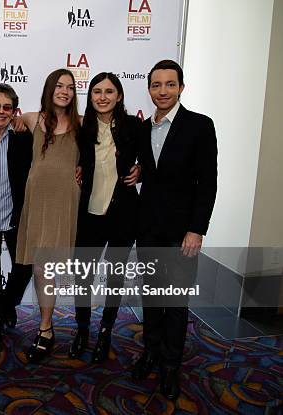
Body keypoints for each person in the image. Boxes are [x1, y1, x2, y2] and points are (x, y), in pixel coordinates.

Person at [132, 60, 217, 401]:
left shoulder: (199, 126)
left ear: (181, 87)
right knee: (151, 298)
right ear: (149, 89)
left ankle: (170, 365)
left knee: (176, 303)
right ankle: (150, 352)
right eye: (156, 85)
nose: (163, 91)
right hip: (149, 228)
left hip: (182, 233)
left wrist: (197, 229)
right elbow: (145, 167)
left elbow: (207, 183)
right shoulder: (142, 129)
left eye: (170, 84)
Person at [70, 72, 141, 362]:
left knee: (115, 277)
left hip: (123, 214)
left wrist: (143, 170)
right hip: (89, 215)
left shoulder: (135, 126)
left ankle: (105, 332)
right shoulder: (81, 127)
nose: (102, 97)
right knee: (82, 277)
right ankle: (83, 330)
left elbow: (155, 157)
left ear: (119, 96)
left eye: (109, 91)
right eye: (97, 91)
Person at [15, 69, 82, 362]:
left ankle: (48, 328)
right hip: (38, 200)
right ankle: (46, 327)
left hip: (65, 202)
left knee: (51, 268)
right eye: (59, 85)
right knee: (41, 269)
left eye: (69, 87)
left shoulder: (82, 123)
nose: (64, 91)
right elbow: (5, 123)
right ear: (49, 88)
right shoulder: (32, 119)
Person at [0, 84, 33, 341]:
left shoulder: (24, 138)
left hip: (16, 217)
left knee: (24, 266)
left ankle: (6, 306)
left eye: (7, 107)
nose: (1, 112)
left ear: (14, 112)